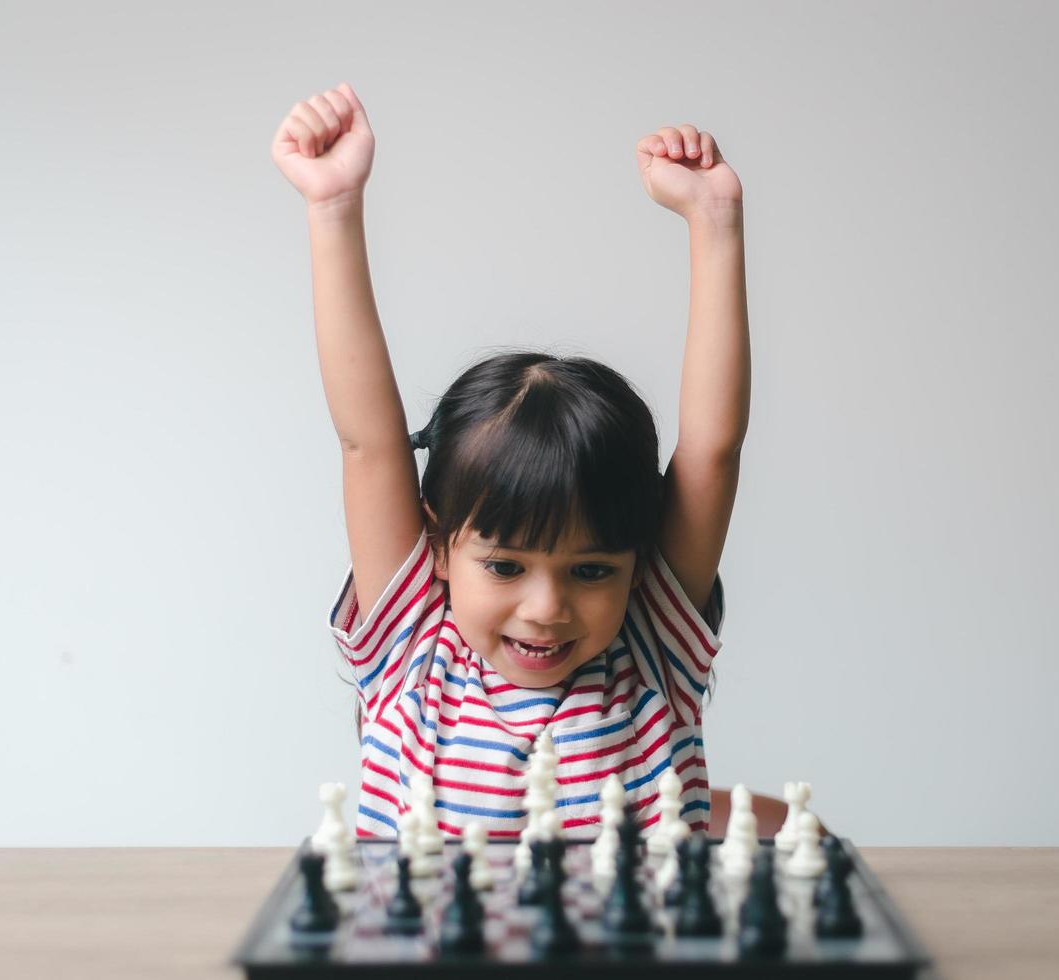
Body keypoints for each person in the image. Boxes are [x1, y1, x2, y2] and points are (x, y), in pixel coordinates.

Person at [271, 83, 749, 841]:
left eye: (592, 569)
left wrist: (716, 220)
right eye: (503, 566)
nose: (546, 608)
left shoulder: (651, 643)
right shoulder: (412, 646)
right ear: (436, 546)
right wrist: (332, 208)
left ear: (637, 556)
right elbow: (368, 443)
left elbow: (712, 454)